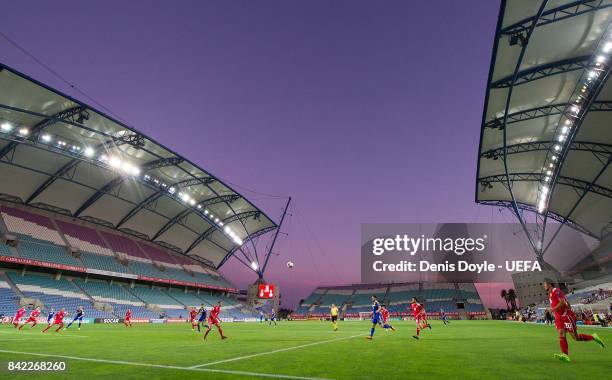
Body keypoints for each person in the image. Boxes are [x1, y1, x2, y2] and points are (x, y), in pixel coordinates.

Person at [543, 279, 605, 362]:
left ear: (549, 284)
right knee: (561, 333)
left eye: (545, 284)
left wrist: (553, 309)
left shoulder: (556, 291)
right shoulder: (550, 293)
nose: (544, 285)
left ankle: (593, 337)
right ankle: (565, 355)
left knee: (575, 337)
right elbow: (565, 302)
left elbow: (562, 302)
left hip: (566, 316)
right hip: (558, 317)